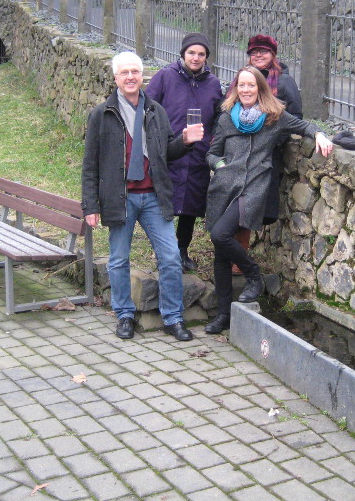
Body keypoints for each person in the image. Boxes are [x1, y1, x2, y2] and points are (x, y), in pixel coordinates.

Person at [81, 51, 204, 341]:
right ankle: (124, 314)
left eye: (135, 72)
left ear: (142, 76)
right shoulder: (102, 114)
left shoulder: (156, 111)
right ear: (115, 78)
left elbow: (165, 154)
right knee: (119, 259)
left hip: (153, 197)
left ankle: (173, 317)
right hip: (119, 198)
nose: (130, 77)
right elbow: (90, 164)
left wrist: (184, 142)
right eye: (124, 73)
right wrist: (90, 205)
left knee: (171, 257)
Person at [203, 66, 333, 334]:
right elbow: (212, 152)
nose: (246, 90)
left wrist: (319, 134)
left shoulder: (275, 117)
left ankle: (253, 275)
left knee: (220, 235)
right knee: (220, 253)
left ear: (260, 88)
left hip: (253, 187)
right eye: (241, 85)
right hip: (224, 186)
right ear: (236, 89)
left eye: (251, 85)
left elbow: (304, 125)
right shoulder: (227, 117)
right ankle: (223, 314)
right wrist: (220, 164)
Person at [145, 33, 223, 272]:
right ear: (183, 54)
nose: (196, 58)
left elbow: (219, 115)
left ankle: (181, 250)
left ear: (207, 57)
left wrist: (212, 141)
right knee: (165, 204)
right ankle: (164, 252)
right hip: (169, 151)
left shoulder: (213, 83)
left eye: (201, 54)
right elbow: (147, 106)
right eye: (191, 53)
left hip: (198, 153)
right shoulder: (165, 76)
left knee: (190, 206)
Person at [231, 34, 304, 272]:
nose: (258, 55)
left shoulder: (284, 82)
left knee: (251, 206)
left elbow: (295, 117)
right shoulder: (243, 80)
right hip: (239, 154)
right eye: (254, 52)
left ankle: (240, 260)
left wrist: (272, 141)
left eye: (263, 51)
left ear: (273, 54)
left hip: (266, 156)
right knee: (236, 203)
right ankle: (234, 257)